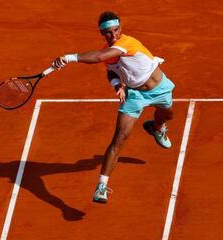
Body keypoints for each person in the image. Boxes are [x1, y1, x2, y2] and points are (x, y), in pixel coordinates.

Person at [52, 11, 175, 203]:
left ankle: (156, 128)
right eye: (108, 32)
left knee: (168, 114)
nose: (113, 35)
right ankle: (102, 186)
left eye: (116, 30)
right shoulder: (109, 52)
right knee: (119, 139)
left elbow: (100, 57)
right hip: (134, 96)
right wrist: (118, 86)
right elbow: (111, 71)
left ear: (120, 28)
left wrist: (68, 57)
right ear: (103, 34)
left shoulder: (126, 43)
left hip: (160, 89)